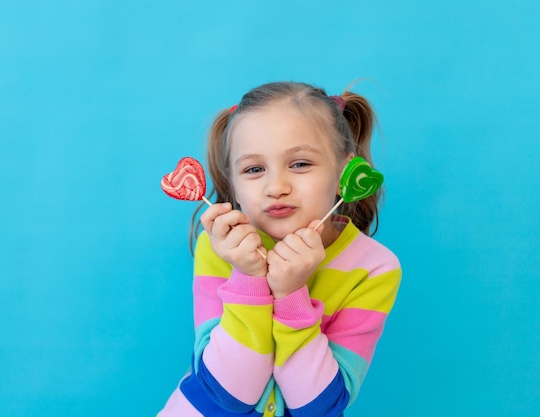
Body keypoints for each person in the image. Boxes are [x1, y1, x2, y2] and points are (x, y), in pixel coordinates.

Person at [158, 81, 401, 417]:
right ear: (234, 185)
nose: (276, 187)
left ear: (345, 171)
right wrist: (248, 277)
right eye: (254, 169)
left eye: (300, 164)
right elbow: (230, 395)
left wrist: (290, 295)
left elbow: (318, 406)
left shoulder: (374, 268)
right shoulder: (218, 248)